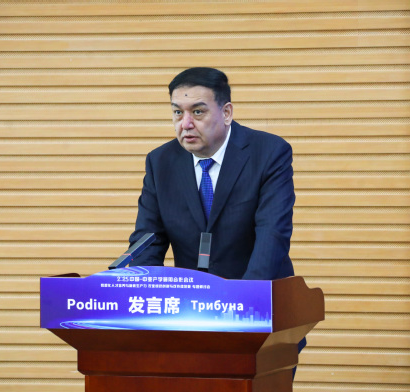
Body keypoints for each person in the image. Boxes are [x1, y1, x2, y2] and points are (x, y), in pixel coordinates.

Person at [128, 66, 306, 354]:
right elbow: (148, 241)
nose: (185, 124)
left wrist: (239, 306)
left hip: (260, 317)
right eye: (177, 112)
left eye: (197, 112)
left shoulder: (268, 153)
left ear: (226, 113)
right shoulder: (161, 162)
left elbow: (272, 236)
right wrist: (142, 295)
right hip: (189, 321)